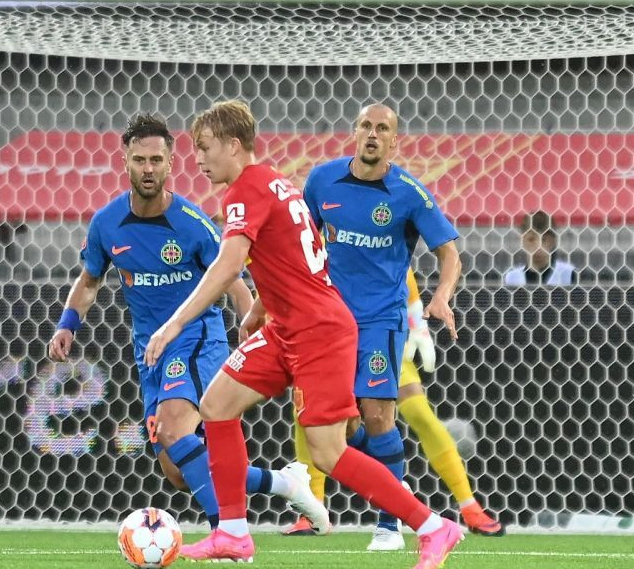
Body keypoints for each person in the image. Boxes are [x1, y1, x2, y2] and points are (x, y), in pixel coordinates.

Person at [143, 100, 464, 568]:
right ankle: (233, 533)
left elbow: (229, 263)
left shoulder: (245, 192)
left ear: (234, 146)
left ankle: (434, 527)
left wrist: (175, 323)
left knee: (329, 452)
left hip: (319, 331)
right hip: (287, 327)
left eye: (204, 147)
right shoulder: (275, 181)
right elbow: (292, 256)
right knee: (216, 405)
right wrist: (260, 307)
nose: (197, 159)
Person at [47, 114, 326, 535]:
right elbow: (89, 281)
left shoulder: (192, 224)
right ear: (125, 160)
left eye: (156, 160)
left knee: (177, 429)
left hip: (197, 338)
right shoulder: (106, 224)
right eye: (140, 159)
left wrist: (252, 331)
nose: (148, 169)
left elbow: (231, 278)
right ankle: (284, 482)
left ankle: (228, 536)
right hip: (151, 351)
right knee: (178, 472)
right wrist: (67, 324)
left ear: (170, 163)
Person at [297, 102, 468, 551]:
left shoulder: (409, 193)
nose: (373, 134)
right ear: (355, 131)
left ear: (395, 141)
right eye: (366, 126)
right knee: (333, 430)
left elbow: (449, 253)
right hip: (328, 320)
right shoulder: (321, 181)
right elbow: (300, 243)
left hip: (380, 321)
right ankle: (381, 491)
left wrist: (440, 295)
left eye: (383, 129)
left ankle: (389, 525)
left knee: (378, 415)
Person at [284, 268, 505, 539]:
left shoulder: (354, 229)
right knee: (310, 412)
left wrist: (417, 321)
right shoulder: (308, 232)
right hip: (329, 333)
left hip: (379, 330)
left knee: (416, 411)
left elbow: (398, 262)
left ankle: (469, 506)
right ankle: (313, 509)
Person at [503, 210, 576, 285]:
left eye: (544, 239)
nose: (538, 246)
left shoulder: (569, 275)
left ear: (553, 241)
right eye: (531, 239)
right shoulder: (512, 278)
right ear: (523, 240)